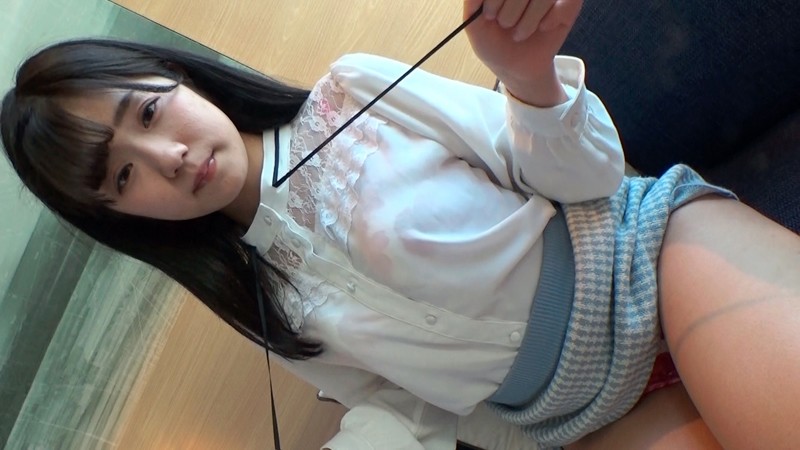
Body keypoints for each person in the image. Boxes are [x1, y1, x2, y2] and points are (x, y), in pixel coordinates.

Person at [2, 0, 799, 448]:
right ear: (121, 217)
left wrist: (527, 80)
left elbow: (588, 176)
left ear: (173, 75)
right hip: (579, 418)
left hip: (647, 266)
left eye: (146, 112)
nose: (168, 156)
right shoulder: (254, 296)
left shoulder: (352, 92)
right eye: (122, 176)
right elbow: (410, 409)